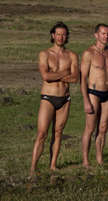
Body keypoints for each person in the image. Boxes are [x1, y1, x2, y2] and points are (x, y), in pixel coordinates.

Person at [30, 22, 80, 176]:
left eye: (64, 34)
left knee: (58, 133)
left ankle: (53, 165)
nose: (61, 37)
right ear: (53, 35)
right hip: (48, 98)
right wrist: (65, 72)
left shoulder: (72, 55)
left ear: (67, 36)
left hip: (65, 98)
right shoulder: (44, 54)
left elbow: (75, 78)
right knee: (41, 134)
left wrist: (58, 74)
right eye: (58, 34)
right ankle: (33, 168)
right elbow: (46, 76)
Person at [81, 23, 108, 167]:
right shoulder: (89, 53)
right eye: (103, 33)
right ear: (96, 35)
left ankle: (99, 158)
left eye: (107, 34)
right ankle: (85, 160)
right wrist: (86, 100)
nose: (105, 36)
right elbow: (82, 78)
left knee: (103, 127)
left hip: (107, 94)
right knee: (90, 128)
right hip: (93, 93)